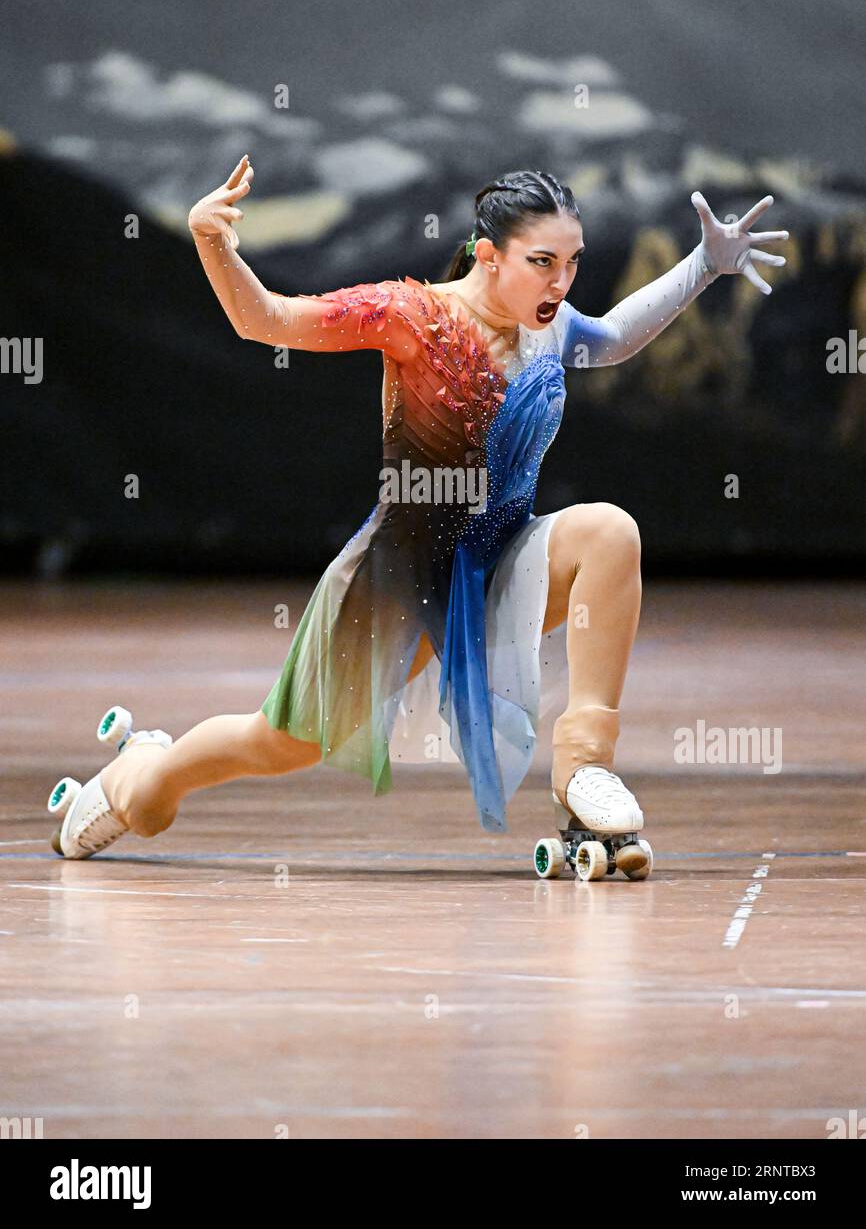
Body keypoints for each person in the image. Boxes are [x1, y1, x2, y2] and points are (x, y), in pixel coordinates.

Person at [47, 157, 788, 870]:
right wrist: (211, 241)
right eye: (542, 262)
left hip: (495, 561)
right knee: (280, 742)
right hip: (398, 579)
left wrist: (705, 264)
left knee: (609, 532)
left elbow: (617, 338)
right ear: (490, 256)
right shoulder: (411, 316)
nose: (561, 282)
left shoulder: (550, 328)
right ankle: (140, 781)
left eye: (573, 262)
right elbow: (267, 320)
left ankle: (584, 769)